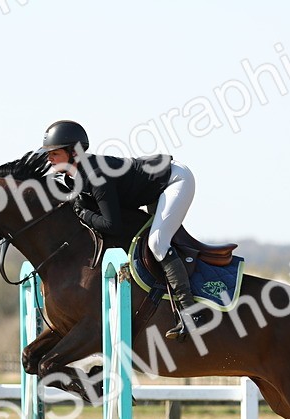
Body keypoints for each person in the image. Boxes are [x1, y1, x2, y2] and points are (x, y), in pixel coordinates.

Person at [38, 119, 207, 339]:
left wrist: (84, 214)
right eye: (49, 153)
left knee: (157, 243)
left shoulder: (96, 177)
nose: (49, 158)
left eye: (55, 153)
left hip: (175, 181)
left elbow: (112, 225)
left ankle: (191, 313)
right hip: (153, 186)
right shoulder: (75, 174)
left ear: (74, 153)